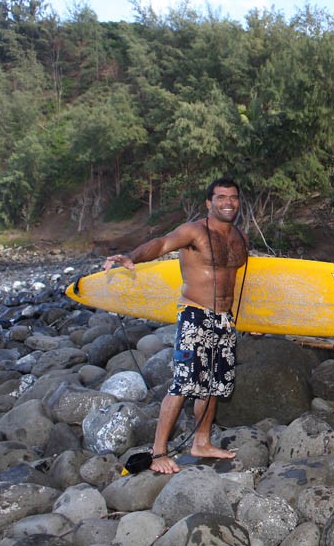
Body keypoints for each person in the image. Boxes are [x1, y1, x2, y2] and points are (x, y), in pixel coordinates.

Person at [102, 177, 248, 473]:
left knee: (213, 386)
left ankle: (202, 442)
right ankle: (158, 453)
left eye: (233, 197)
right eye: (221, 197)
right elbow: (162, 243)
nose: (228, 202)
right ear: (209, 203)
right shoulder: (194, 232)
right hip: (195, 314)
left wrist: (254, 319)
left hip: (223, 318)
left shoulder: (240, 239)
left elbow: (241, 281)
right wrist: (132, 256)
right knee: (183, 384)